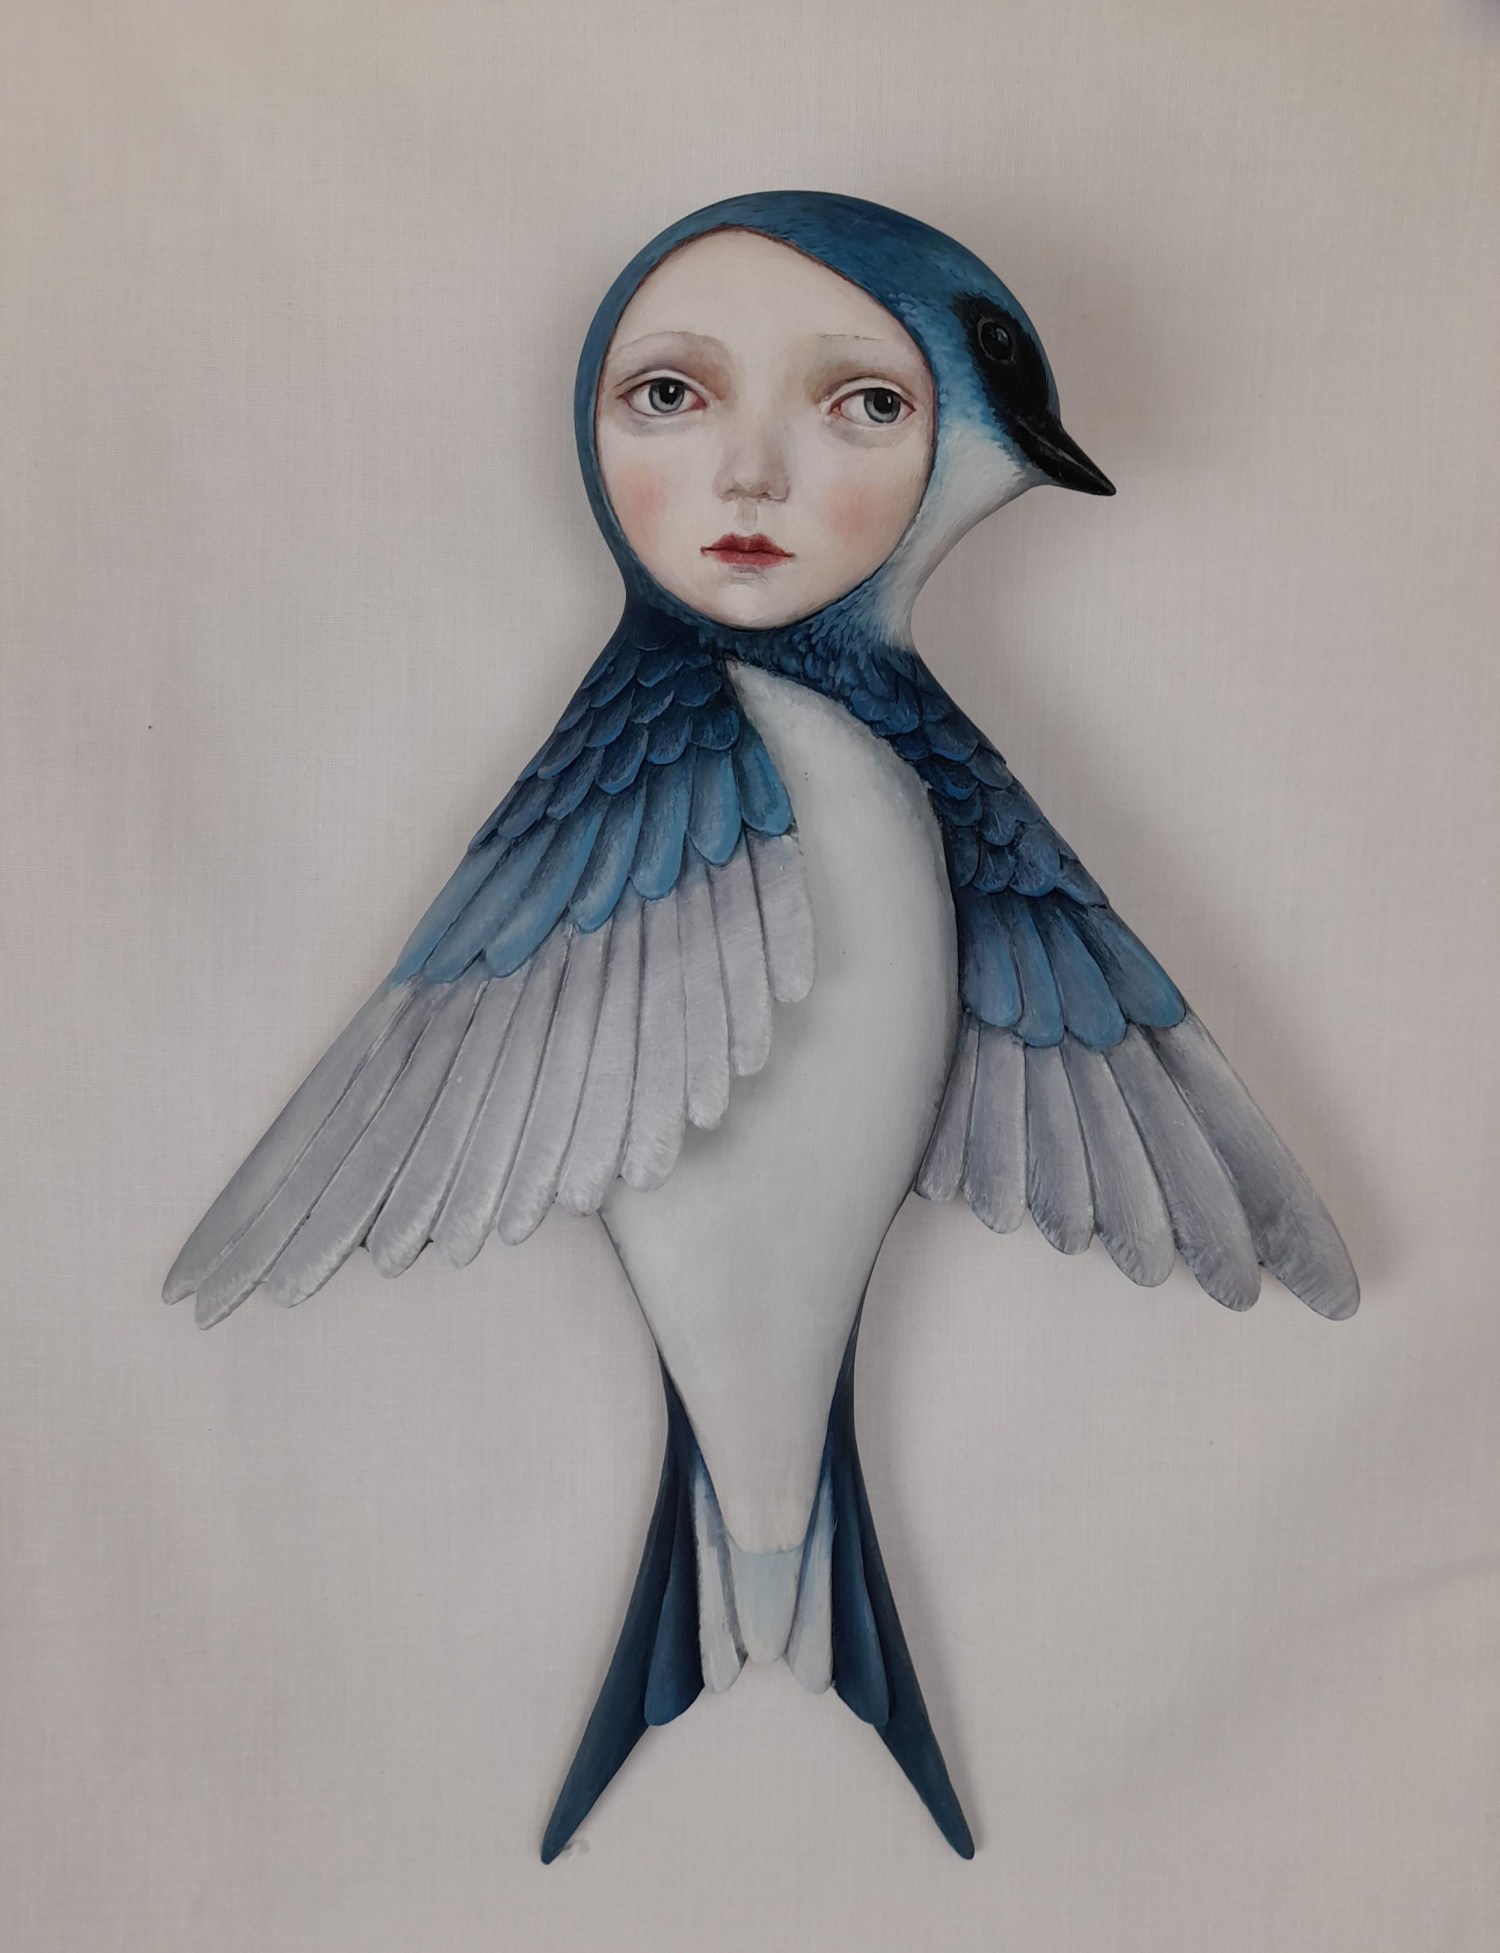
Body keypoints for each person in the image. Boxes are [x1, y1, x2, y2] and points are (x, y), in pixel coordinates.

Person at [164, 192, 1357, 1863]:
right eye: (671, 395)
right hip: (694, 1227)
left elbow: (1072, 976)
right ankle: (762, 1572)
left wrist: (1214, 1174)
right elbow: (464, 1006)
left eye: (862, 405)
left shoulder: (930, 762)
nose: (749, 478)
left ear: (957, 450)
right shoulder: (652, 720)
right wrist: (343, 1168)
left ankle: (760, 1575)